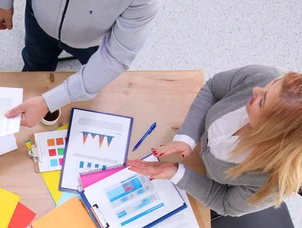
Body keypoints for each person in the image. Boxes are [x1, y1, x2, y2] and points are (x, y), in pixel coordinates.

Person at [126, 65, 302, 216]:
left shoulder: (272, 183)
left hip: (204, 182)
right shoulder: (262, 76)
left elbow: (224, 202)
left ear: (270, 132)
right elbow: (211, 88)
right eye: (271, 85)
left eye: (262, 102)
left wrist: (176, 173)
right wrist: (187, 138)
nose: (256, 90)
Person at [0, 0, 163, 127]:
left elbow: (114, 57)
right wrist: (3, 3)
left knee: (92, 86)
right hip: (39, 20)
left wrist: (50, 101)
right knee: (35, 62)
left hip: (93, 41)